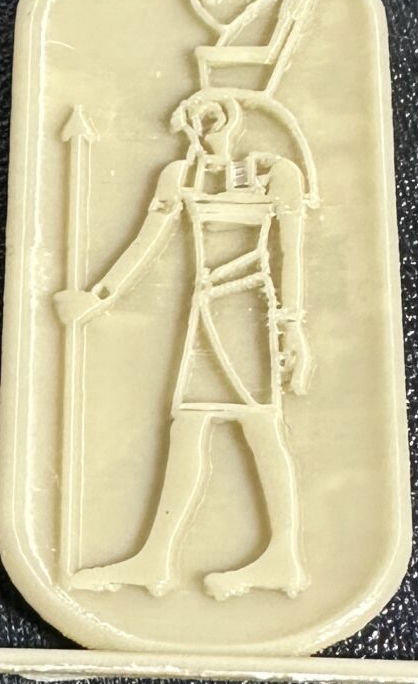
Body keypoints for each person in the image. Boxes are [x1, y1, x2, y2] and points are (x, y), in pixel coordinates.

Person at [58, 90, 311, 600]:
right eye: (195, 118)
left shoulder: (274, 173)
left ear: (233, 118)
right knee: (189, 427)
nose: (204, 126)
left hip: (250, 313)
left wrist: (292, 326)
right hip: (206, 312)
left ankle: (284, 557)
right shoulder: (180, 175)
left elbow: (292, 251)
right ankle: (155, 558)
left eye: (213, 116)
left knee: (262, 426)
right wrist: (97, 297)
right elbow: (147, 240)